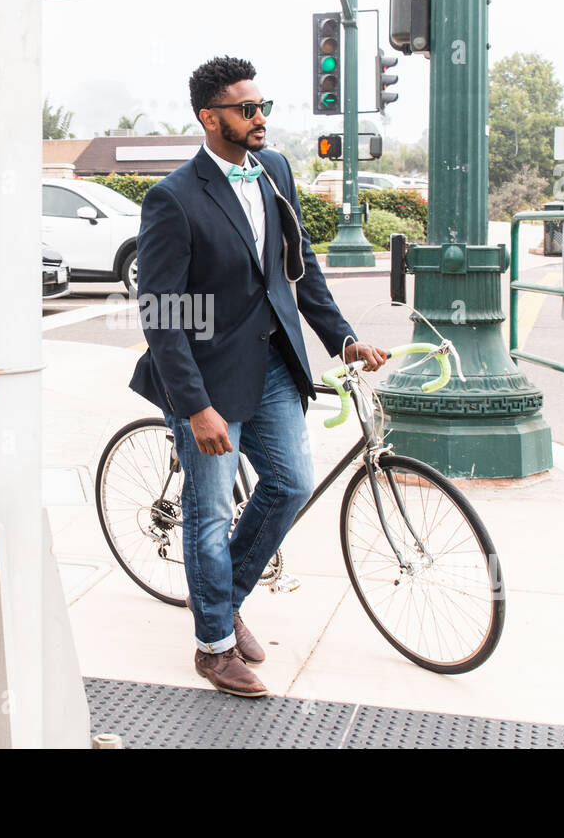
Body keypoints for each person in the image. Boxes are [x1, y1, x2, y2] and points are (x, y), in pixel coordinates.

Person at [129, 56, 387, 697]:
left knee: (291, 485)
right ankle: (213, 646)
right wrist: (195, 407)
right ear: (209, 117)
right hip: (206, 378)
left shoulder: (274, 172)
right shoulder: (174, 199)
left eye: (262, 106)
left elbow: (298, 269)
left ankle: (221, 596)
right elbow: (161, 315)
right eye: (246, 109)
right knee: (209, 511)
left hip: (274, 363)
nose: (260, 117)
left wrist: (343, 339)